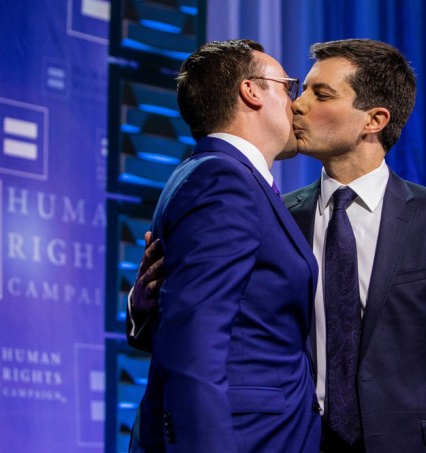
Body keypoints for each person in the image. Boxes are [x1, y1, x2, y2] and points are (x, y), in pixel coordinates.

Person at [131, 38, 426, 452]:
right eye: (299, 90)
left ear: (374, 120)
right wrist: (146, 310)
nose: (298, 104)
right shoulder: (276, 214)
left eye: (321, 94)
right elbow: (226, 332)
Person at [127, 39, 321, 452]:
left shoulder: (213, 174)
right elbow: (194, 340)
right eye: (288, 87)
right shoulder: (223, 180)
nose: (297, 104)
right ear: (252, 91)